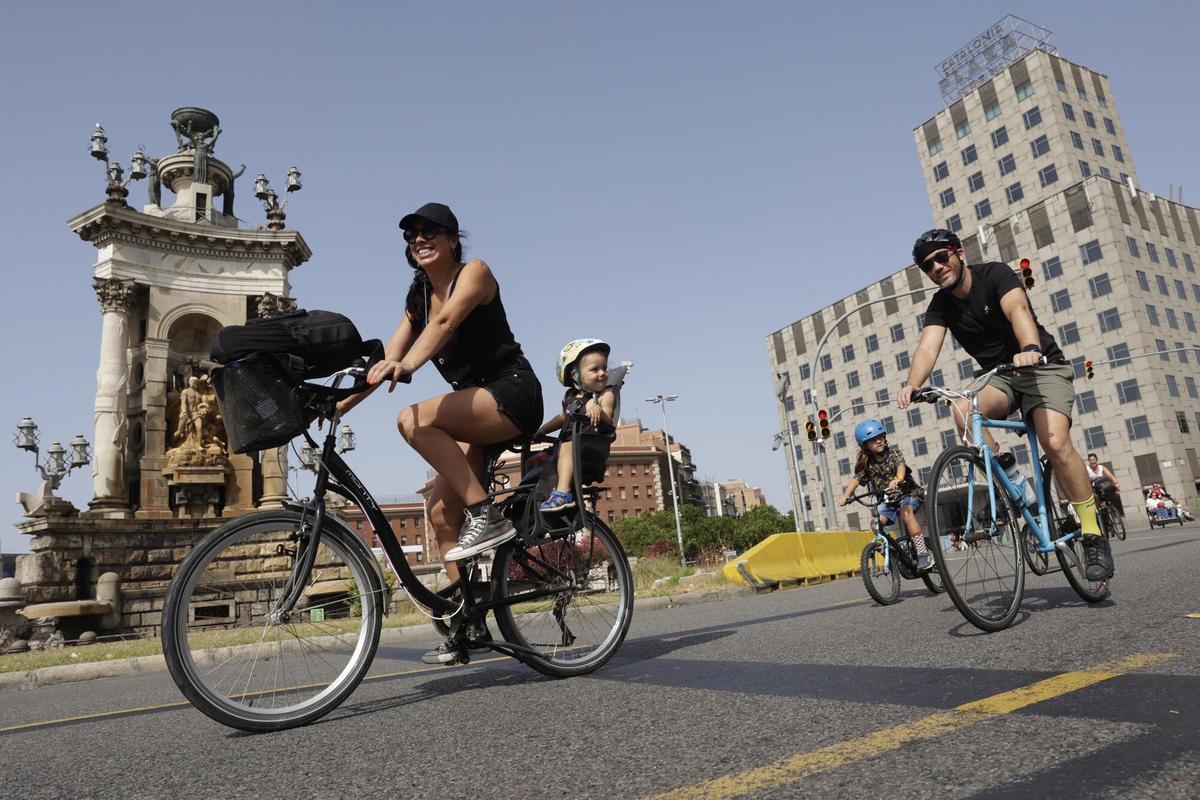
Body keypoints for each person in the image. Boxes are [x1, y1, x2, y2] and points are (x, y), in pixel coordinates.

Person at [337, 202, 543, 664]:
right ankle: (468, 618)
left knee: (413, 419)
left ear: (453, 239)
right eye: (411, 234)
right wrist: (333, 407)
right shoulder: (415, 297)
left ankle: (487, 517)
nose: (420, 238)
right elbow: (383, 362)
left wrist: (407, 365)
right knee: (440, 513)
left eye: (431, 231)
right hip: (474, 407)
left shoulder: (476, 273)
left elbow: (447, 323)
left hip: (511, 392)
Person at [898, 228, 1114, 582]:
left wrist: (1029, 348)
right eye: (928, 266)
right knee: (962, 409)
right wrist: (912, 384)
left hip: (1039, 365)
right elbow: (927, 347)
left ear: (959, 253)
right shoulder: (941, 305)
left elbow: (1018, 310)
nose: (936, 267)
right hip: (999, 378)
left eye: (941, 257)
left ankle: (1092, 533)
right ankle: (1013, 481)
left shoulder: (995, 274)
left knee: (1056, 443)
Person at [533, 339, 617, 512]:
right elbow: (562, 417)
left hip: (587, 449)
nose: (602, 373)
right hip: (566, 448)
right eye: (594, 369)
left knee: (567, 446)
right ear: (575, 375)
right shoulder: (571, 396)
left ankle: (563, 493)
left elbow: (608, 419)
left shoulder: (605, 395)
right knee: (531, 462)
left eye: (604, 368)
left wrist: (596, 408)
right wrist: (542, 431)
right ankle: (535, 498)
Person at [837, 419, 931, 571]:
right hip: (889, 500)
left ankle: (922, 553)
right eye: (873, 440)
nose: (878, 441)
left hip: (909, 493)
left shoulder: (894, 454)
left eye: (880, 437)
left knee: (906, 512)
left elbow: (901, 466)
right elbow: (856, 479)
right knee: (875, 524)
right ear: (865, 446)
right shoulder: (868, 464)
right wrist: (846, 496)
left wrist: (898, 479)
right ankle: (893, 552)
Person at [1086, 452, 1123, 517]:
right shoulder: (1087, 469)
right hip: (1093, 486)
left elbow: (1110, 475)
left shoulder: (1101, 467)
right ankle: (1101, 510)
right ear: (1089, 462)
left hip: (1102, 485)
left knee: (1111, 487)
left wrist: (1116, 483)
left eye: (1094, 460)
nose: (1092, 462)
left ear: (1097, 460)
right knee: (1096, 496)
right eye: (1091, 460)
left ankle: (1111, 507)